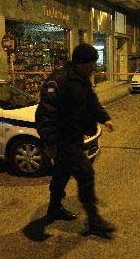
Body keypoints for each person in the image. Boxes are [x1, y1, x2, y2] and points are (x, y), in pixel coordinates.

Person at [35, 43, 116, 234]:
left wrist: (105, 118)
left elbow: (91, 102)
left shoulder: (82, 80)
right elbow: (45, 114)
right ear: (80, 63)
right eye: (90, 64)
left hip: (75, 136)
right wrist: (50, 143)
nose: (93, 68)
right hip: (63, 140)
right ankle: (94, 220)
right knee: (86, 173)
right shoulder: (59, 81)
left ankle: (54, 208)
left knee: (62, 173)